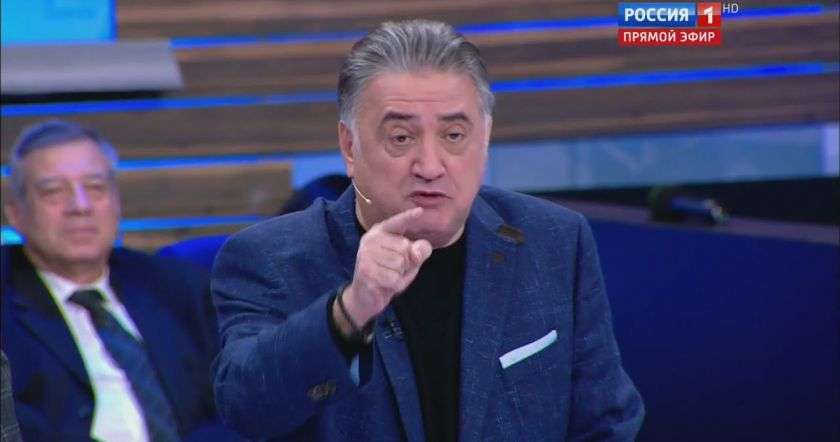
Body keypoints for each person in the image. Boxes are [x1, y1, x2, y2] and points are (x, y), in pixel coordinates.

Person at [211, 19, 644, 441]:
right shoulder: (269, 258)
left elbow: (606, 424)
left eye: (454, 135)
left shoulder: (554, 241)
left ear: (485, 138)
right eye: (401, 138)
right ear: (350, 146)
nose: (431, 167)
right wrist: (350, 310)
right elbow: (246, 409)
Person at [0, 120, 233, 441]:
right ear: (15, 213)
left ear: (116, 201)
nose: (80, 206)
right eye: (53, 191)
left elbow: (236, 407)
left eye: (96, 187)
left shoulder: (178, 287)